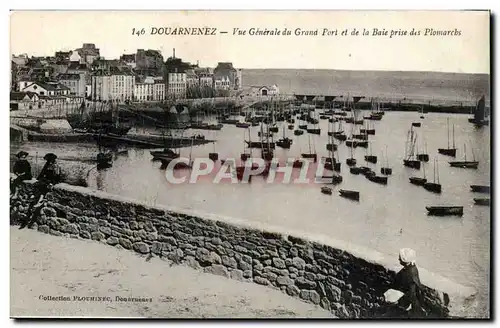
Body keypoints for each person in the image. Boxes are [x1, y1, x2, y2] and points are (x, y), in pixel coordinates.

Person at [19, 153, 62, 229]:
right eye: (48, 160)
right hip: (45, 179)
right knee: (37, 184)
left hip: (51, 180)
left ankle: (40, 200)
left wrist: (52, 183)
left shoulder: (56, 166)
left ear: (52, 159)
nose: (48, 161)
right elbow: (42, 173)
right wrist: (38, 179)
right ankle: (34, 196)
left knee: (43, 186)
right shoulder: (47, 164)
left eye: (49, 160)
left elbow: (57, 177)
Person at [381, 248, 426, 318]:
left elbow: (412, 293)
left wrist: (399, 302)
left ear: (405, 260)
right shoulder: (409, 268)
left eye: (400, 258)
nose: (399, 259)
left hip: (403, 300)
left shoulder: (410, 274)